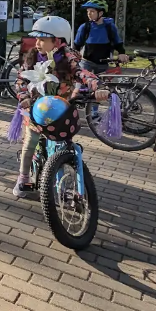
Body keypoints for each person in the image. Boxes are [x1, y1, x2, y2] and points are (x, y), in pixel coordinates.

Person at [13, 16, 108, 198]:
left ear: (57, 41)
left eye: (42, 39)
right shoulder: (32, 57)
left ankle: (61, 179)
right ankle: (23, 177)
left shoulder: (68, 57)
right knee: (30, 143)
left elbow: (82, 73)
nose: (37, 43)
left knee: (62, 146)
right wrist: (24, 96)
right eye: (37, 38)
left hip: (61, 112)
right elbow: (21, 79)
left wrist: (98, 86)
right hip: (36, 110)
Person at [72, 0, 129, 74]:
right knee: (82, 85)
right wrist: (73, 58)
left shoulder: (109, 27)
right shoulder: (85, 27)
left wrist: (121, 53)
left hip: (103, 64)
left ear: (101, 13)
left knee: (102, 85)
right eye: (88, 11)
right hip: (86, 63)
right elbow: (77, 45)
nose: (89, 14)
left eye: (92, 11)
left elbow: (117, 42)